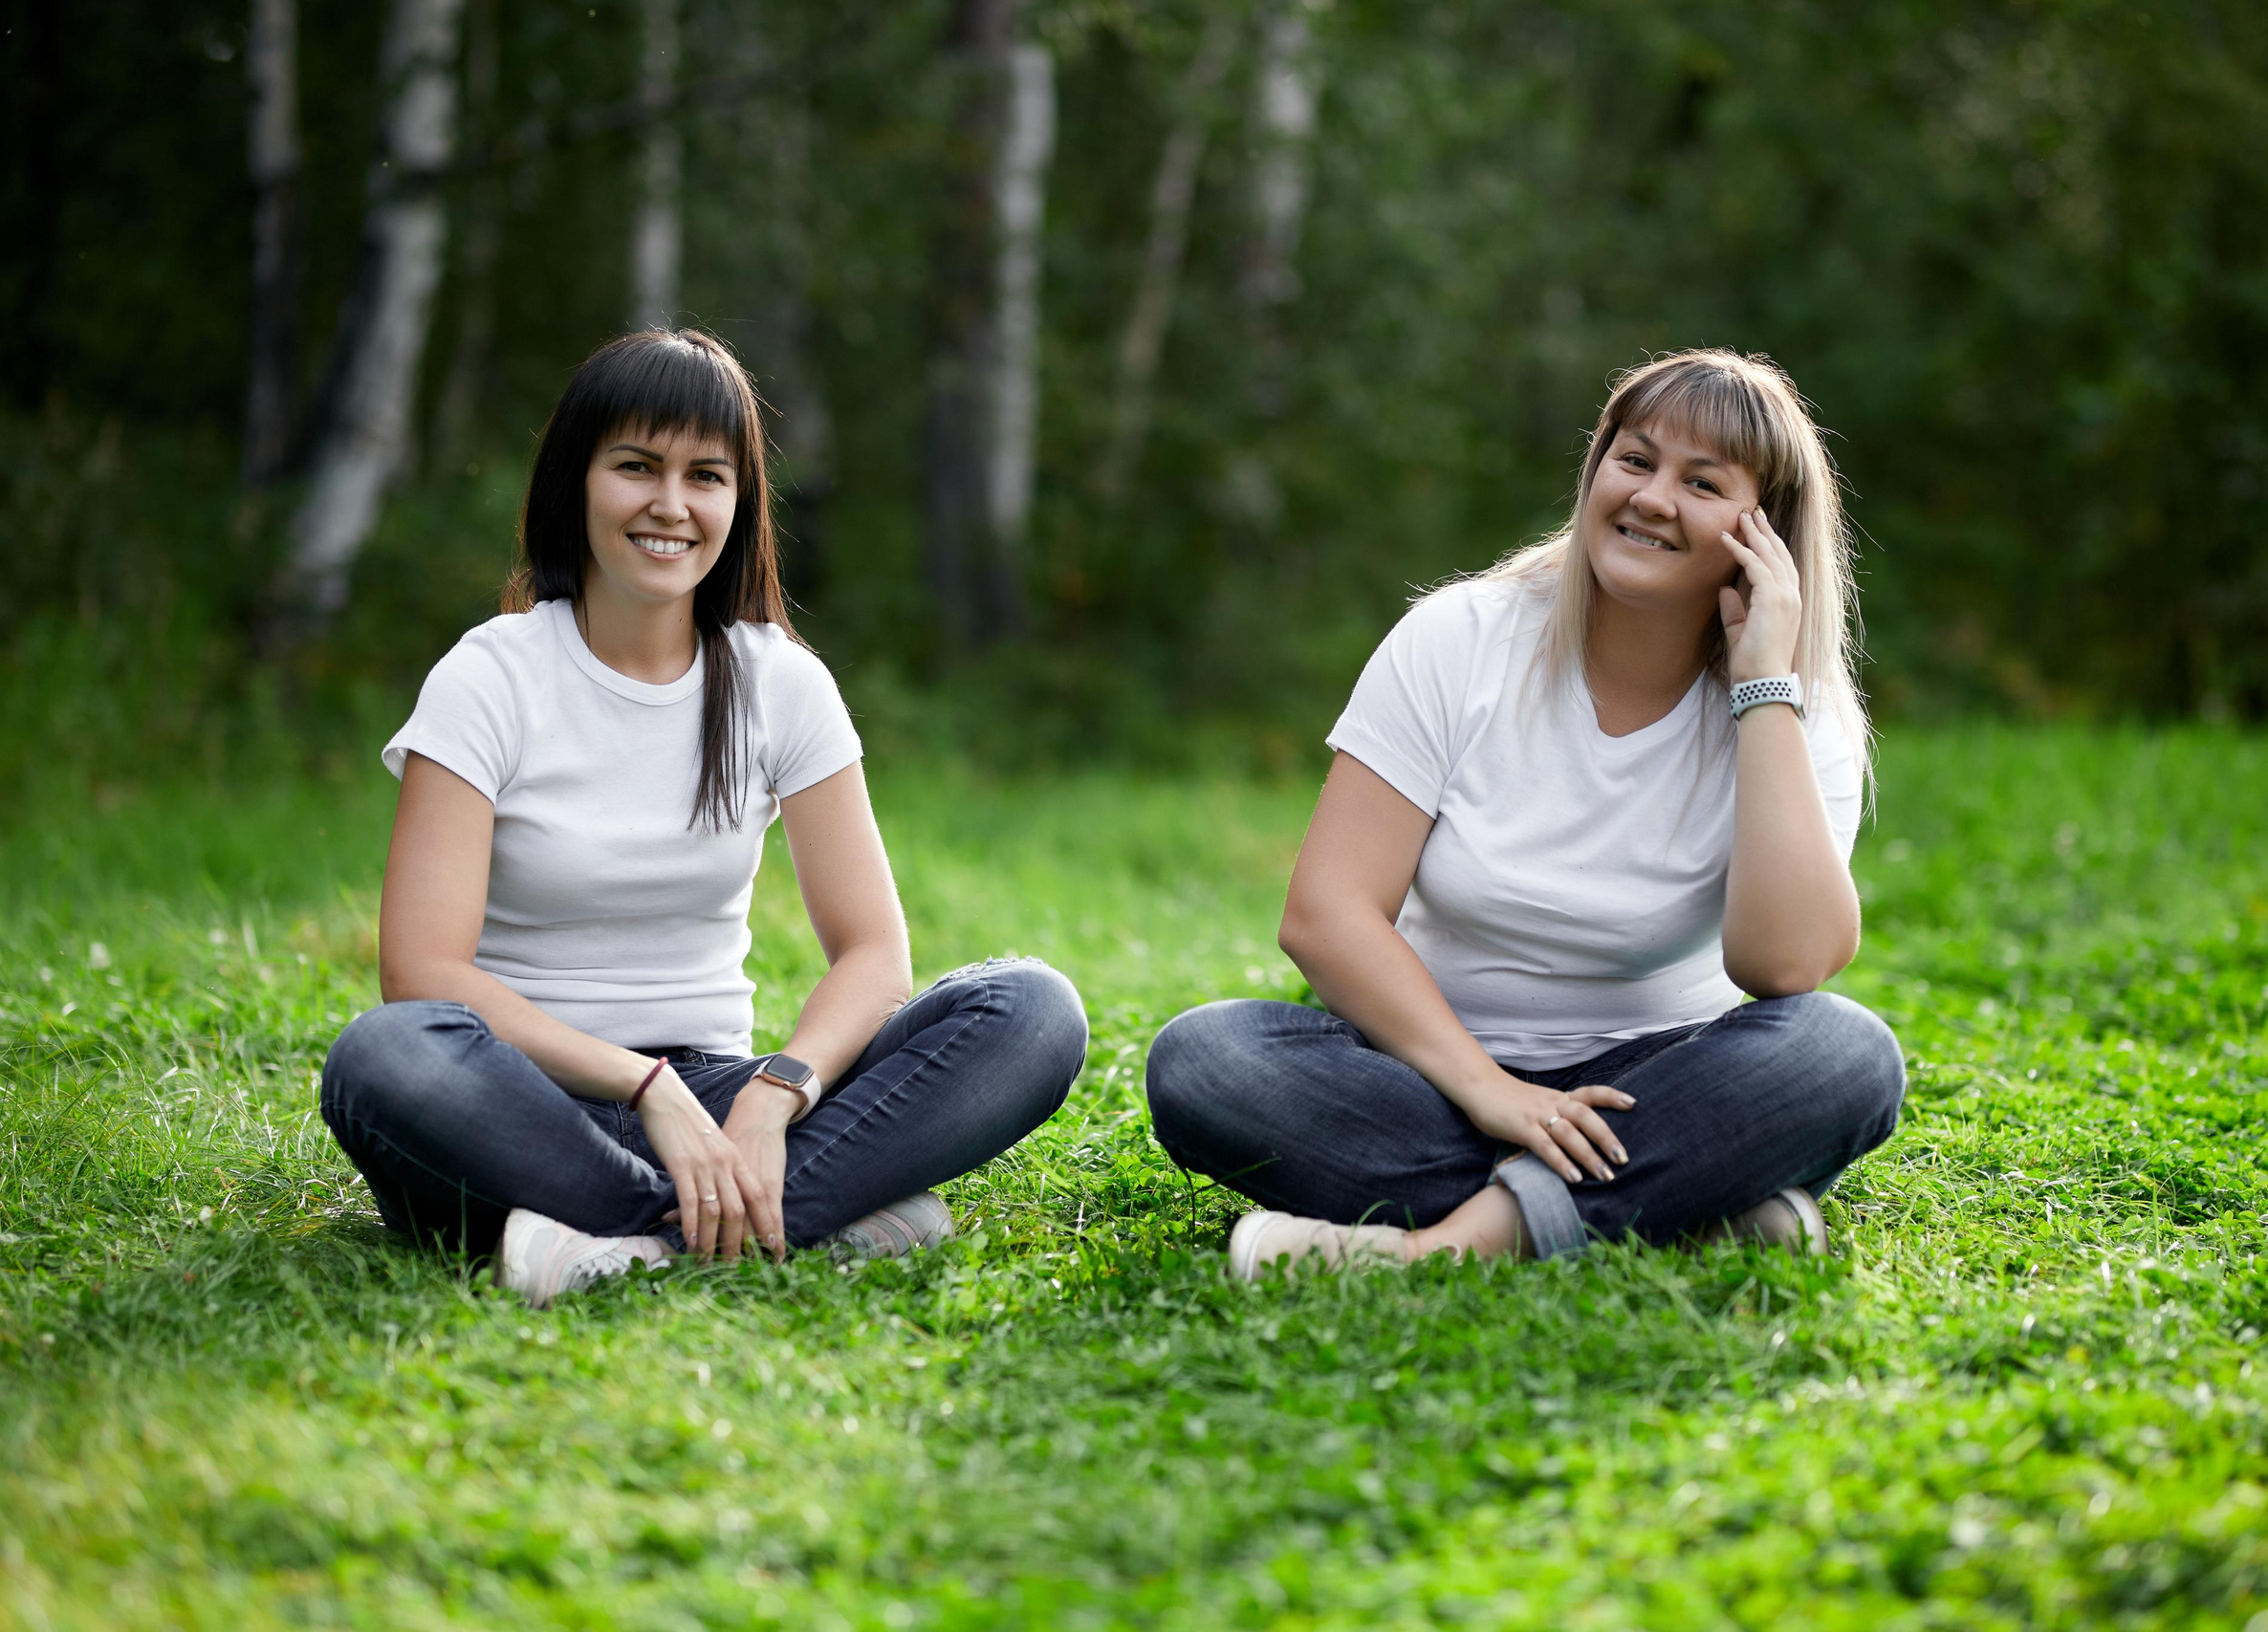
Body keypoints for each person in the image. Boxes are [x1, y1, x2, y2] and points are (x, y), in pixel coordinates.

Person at [320, 329, 1086, 1306]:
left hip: (723, 1096)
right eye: (635, 466)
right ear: (577, 482)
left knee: (1029, 1010)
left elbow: (871, 955)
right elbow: (422, 972)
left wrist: (774, 1098)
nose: (670, 505)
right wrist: (645, 1089)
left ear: (740, 500)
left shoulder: (781, 683)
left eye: (705, 475)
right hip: (520, 1101)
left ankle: (627, 1249)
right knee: (380, 1060)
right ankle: (800, 1223)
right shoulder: (490, 675)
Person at [1145, 349, 1904, 1276]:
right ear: (1594, 470)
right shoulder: (1458, 639)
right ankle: (1684, 1206)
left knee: (1843, 1053)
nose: (1652, 497)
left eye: (1701, 482)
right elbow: (1326, 916)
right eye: (1634, 460)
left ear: (1765, 534)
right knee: (1206, 1062)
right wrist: (1492, 1091)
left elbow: (1783, 964)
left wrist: (1762, 691)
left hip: (1668, 1080)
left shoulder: (1793, 706)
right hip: (1429, 1073)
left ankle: (1442, 1250)